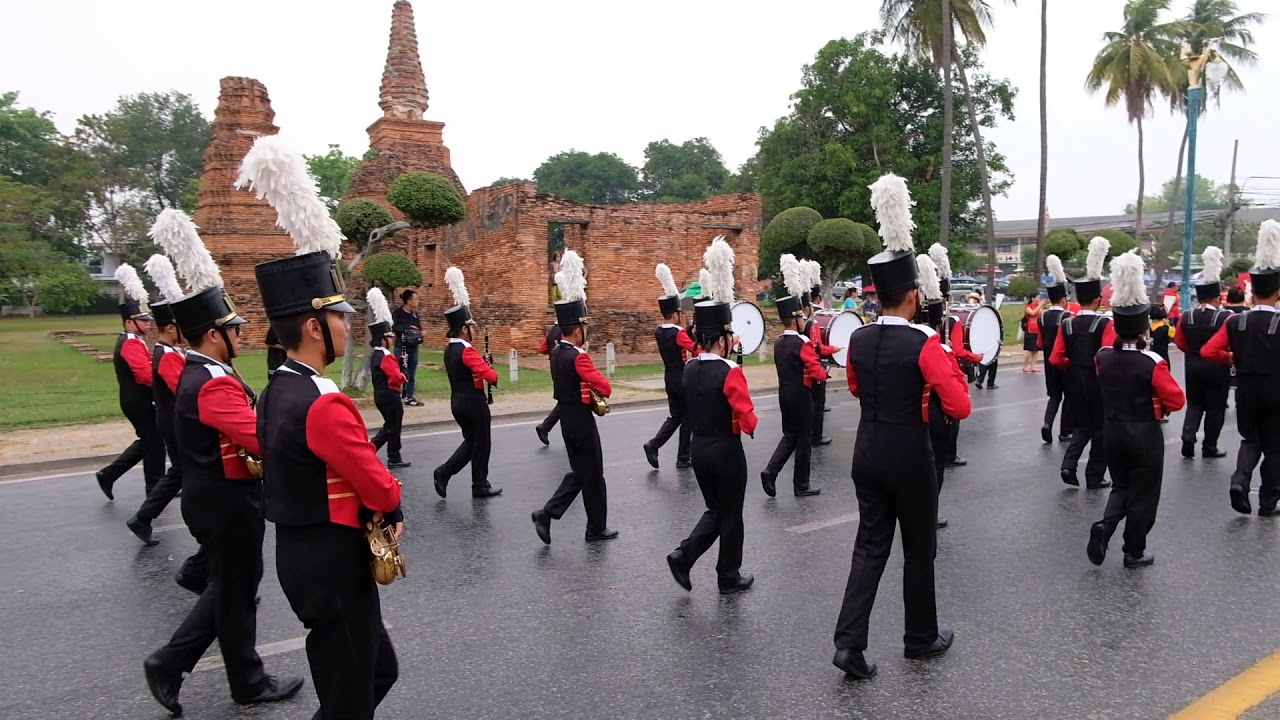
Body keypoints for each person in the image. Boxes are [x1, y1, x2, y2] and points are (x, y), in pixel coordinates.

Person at [241, 134, 404, 720]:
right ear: (314, 327)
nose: (345, 327)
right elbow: (379, 485)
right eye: (339, 317)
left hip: (300, 551)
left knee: (371, 672)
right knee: (350, 692)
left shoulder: (276, 387)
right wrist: (392, 506)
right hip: (334, 556)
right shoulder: (322, 400)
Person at [142, 271, 303, 716]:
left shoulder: (206, 372)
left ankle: (242, 678)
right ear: (213, 335)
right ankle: (174, 663)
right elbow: (259, 437)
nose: (240, 335)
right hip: (226, 502)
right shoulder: (212, 381)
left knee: (233, 590)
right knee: (233, 590)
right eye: (233, 330)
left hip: (216, 497)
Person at [833, 174, 971, 680]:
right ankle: (920, 637)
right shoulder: (925, 343)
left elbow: (852, 388)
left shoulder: (860, 339)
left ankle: (849, 644)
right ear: (912, 295)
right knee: (918, 549)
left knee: (869, 548)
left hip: (867, 450)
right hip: (910, 454)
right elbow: (959, 407)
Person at [666, 240, 759, 595]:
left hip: (699, 449)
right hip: (725, 451)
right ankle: (727, 575)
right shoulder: (730, 372)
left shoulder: (689, 369)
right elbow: (748, 421)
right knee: (731, 513)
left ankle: (684, 556)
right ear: (722, 337)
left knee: (716, 510)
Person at [1087, 252, 1185, 568]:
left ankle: (1105, 525)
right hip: (1143, 432)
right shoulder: (1151, 362)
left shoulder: (1103, 357)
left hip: (1113, 430)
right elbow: (1177, 400)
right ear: (1144, 326)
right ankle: (1134, 550)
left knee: (1121, 485)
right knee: (1144, 492)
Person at [531, 249, 617, 544]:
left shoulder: (557, 351)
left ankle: (552, 515)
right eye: (584, 327)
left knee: (582, 473)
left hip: (567, 418)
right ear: (578, 329)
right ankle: (592, 527)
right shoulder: (578, 357)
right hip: (580, 419)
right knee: (593, 473)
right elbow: (605, 388)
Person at [1202, 220, 1280, 516]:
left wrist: (1235, 359)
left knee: (1250, 440)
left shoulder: (1235, 321)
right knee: (1275, 448)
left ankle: (1240, 481)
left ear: (1253, 293)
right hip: (1275, 390)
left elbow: (1210, 351)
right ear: (1278, 293)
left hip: (1246, 390)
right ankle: (1268, 502)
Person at [1050, 237, 1117, 489]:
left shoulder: (1066, 323)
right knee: (1100, 428)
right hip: (1097, 379)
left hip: (1073, 379)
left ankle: (1068, 465)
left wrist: (1071, 364)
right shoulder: (1105, 324)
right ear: (1098, 299)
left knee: (1081, 426)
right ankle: (1094, 475)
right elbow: (1107, 356)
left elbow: (1055, 357)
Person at [434, 267, 503, 499]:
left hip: (458, 401)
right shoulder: (466, 350)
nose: (472, 330)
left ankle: (446, 473)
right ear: (463, 328)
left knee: (472, 443)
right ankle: (478, 484)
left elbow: (469, 370)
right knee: (482, 444)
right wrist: (490, 369)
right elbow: (490, 376)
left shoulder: (450, 348)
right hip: (474, 403)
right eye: (470, 327)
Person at [97, 264, 164, 501]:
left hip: (137, 398)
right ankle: (155, 489)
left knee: (150, 441)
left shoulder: (134, 341)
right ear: (129, 322)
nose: (148, 325)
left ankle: (109, 474)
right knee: (154, 442)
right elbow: (144, 375)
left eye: (148, 321)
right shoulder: (131, 343)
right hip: (138, 399)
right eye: (143, 321)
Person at [761, 254, 826, 498]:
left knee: (790, 434)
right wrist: (824, 375)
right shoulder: (802, 342)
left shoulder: (778, 342)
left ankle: (771, 470)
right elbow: (814, 369)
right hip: (801, 393)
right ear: (796, 318)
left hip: (784, 392)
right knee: (804, 439)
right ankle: (801, 484)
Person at [126, 294, 186, 546]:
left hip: (169, 417)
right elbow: (182, 388)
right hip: (173, 419)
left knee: (182, 471)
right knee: (180, 471)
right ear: (171, 328)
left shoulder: (167, 351)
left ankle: (144, 517)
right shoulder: (168, 355)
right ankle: (143, 517)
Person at [1174, 247, 1230, 460]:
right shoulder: (1225, 318)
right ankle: (1209, 446)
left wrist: (1191, 352)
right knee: (1215, 408)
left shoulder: (1186, 316)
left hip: (1192, 363)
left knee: (1195, 403)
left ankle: (1188, 436)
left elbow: (1179, 341)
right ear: (1217, 298)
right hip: (1217, 366)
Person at [644, 264, 696, 469]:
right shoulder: (678, 332)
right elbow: (693, 348)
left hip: (669, 376)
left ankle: (655, 445)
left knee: (677, 416)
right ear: (675, 313)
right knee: (687, 417)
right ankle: (683, 456)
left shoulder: (659, 331)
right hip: (682, 377)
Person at [366, 288, 410, 469]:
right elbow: (394, 377)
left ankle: (374, 449)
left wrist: (399, 361)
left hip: (381, 394)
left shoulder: (378, 355)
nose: (392, 340)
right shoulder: (385, 356)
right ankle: (392, 455)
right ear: (383, 340)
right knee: (393, 426)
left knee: (390, 425)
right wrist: (403, 376)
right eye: (389, 338)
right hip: (389, 395)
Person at [802, 272, 841, 447]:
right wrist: (835, 348)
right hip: (814, 371)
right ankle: (816, 436)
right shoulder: (813, 324)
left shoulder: (795, 325)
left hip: (800, 375)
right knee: (818, 405)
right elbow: (818, 349)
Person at [1039, 256, 1075, 444]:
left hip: (1047, 361)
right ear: (1062, 299)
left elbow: (1040, 340)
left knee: (1054, 395)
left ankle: (1047, 423)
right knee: (1068, 396)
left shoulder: (1042, 317)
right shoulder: (1068, 316)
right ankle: (1065, 431)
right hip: (1064, 360)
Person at [533, 323, 563, 446]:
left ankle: (546, 427)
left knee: (565, 400)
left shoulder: (552, 330)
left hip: (554, 366)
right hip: (566, 366)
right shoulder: (569, 329)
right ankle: (545, 427)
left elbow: (542, 349)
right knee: (569, 400)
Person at [392, 288, 423, 406]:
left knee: (411, 372)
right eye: (416, 299)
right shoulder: (398, 313)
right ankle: (396, 395)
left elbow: (418, 328)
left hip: (413, 347)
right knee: (399, 372)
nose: (417, 301)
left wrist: (419, 334)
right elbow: (394, 327)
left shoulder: (415, 315)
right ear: (409, 301)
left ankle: (409, 397)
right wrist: (408, 328)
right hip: (401, 346)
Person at [968, 292, 999, 389]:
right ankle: (987, 382)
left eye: (973, 299)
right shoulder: (980, 311)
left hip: (986, 338)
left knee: (988, 360)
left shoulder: (980, 311)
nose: (972, 302)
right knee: (989, 359)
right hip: (983, 339)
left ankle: (982, 381)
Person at [1022, 295, 1042, 372]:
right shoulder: (1028, 306)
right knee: (1030, 349)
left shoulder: (1038, 306)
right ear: (1033, 298)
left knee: (1036, 349)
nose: (1038, 299)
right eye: (1037, 298)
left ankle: (1033, 366)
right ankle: (1025, 366)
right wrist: (1039, 305)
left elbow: (1040, 314)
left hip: (1037, 329)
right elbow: (1033, 313)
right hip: (1030, 329)